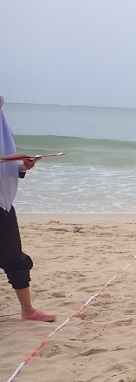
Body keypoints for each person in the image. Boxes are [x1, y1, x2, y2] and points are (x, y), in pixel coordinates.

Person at [0, 96, 56, 322]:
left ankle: (28, 311)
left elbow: (7, 170)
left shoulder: (4, 128)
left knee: (14, 258)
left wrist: (23, 166)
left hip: (3, 205)